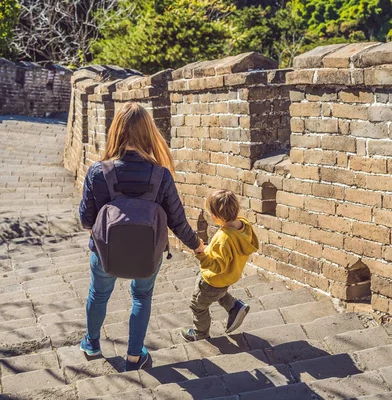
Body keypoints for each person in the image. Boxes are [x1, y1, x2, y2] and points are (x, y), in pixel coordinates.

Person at [78, 102, 204, 371]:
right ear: (149, 132)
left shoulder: (98, 172)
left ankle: (91, 344)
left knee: (98, 294)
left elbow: (86, 220)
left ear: (116, 131)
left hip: (104, 252)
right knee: (141, 297)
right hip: (148, 253)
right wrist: (197, 246)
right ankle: (135, 355)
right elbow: (178, 222)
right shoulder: (161, 175)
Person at [181, 189, 259, 342]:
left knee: (198, 305)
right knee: (219, 293)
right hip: (229, 276)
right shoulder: (244, 225)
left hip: (212, 280)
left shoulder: (224, 238)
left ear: (216, 217)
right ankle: (235, 307)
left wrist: (200, 253)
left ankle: (200, 334)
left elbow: (216, 267)